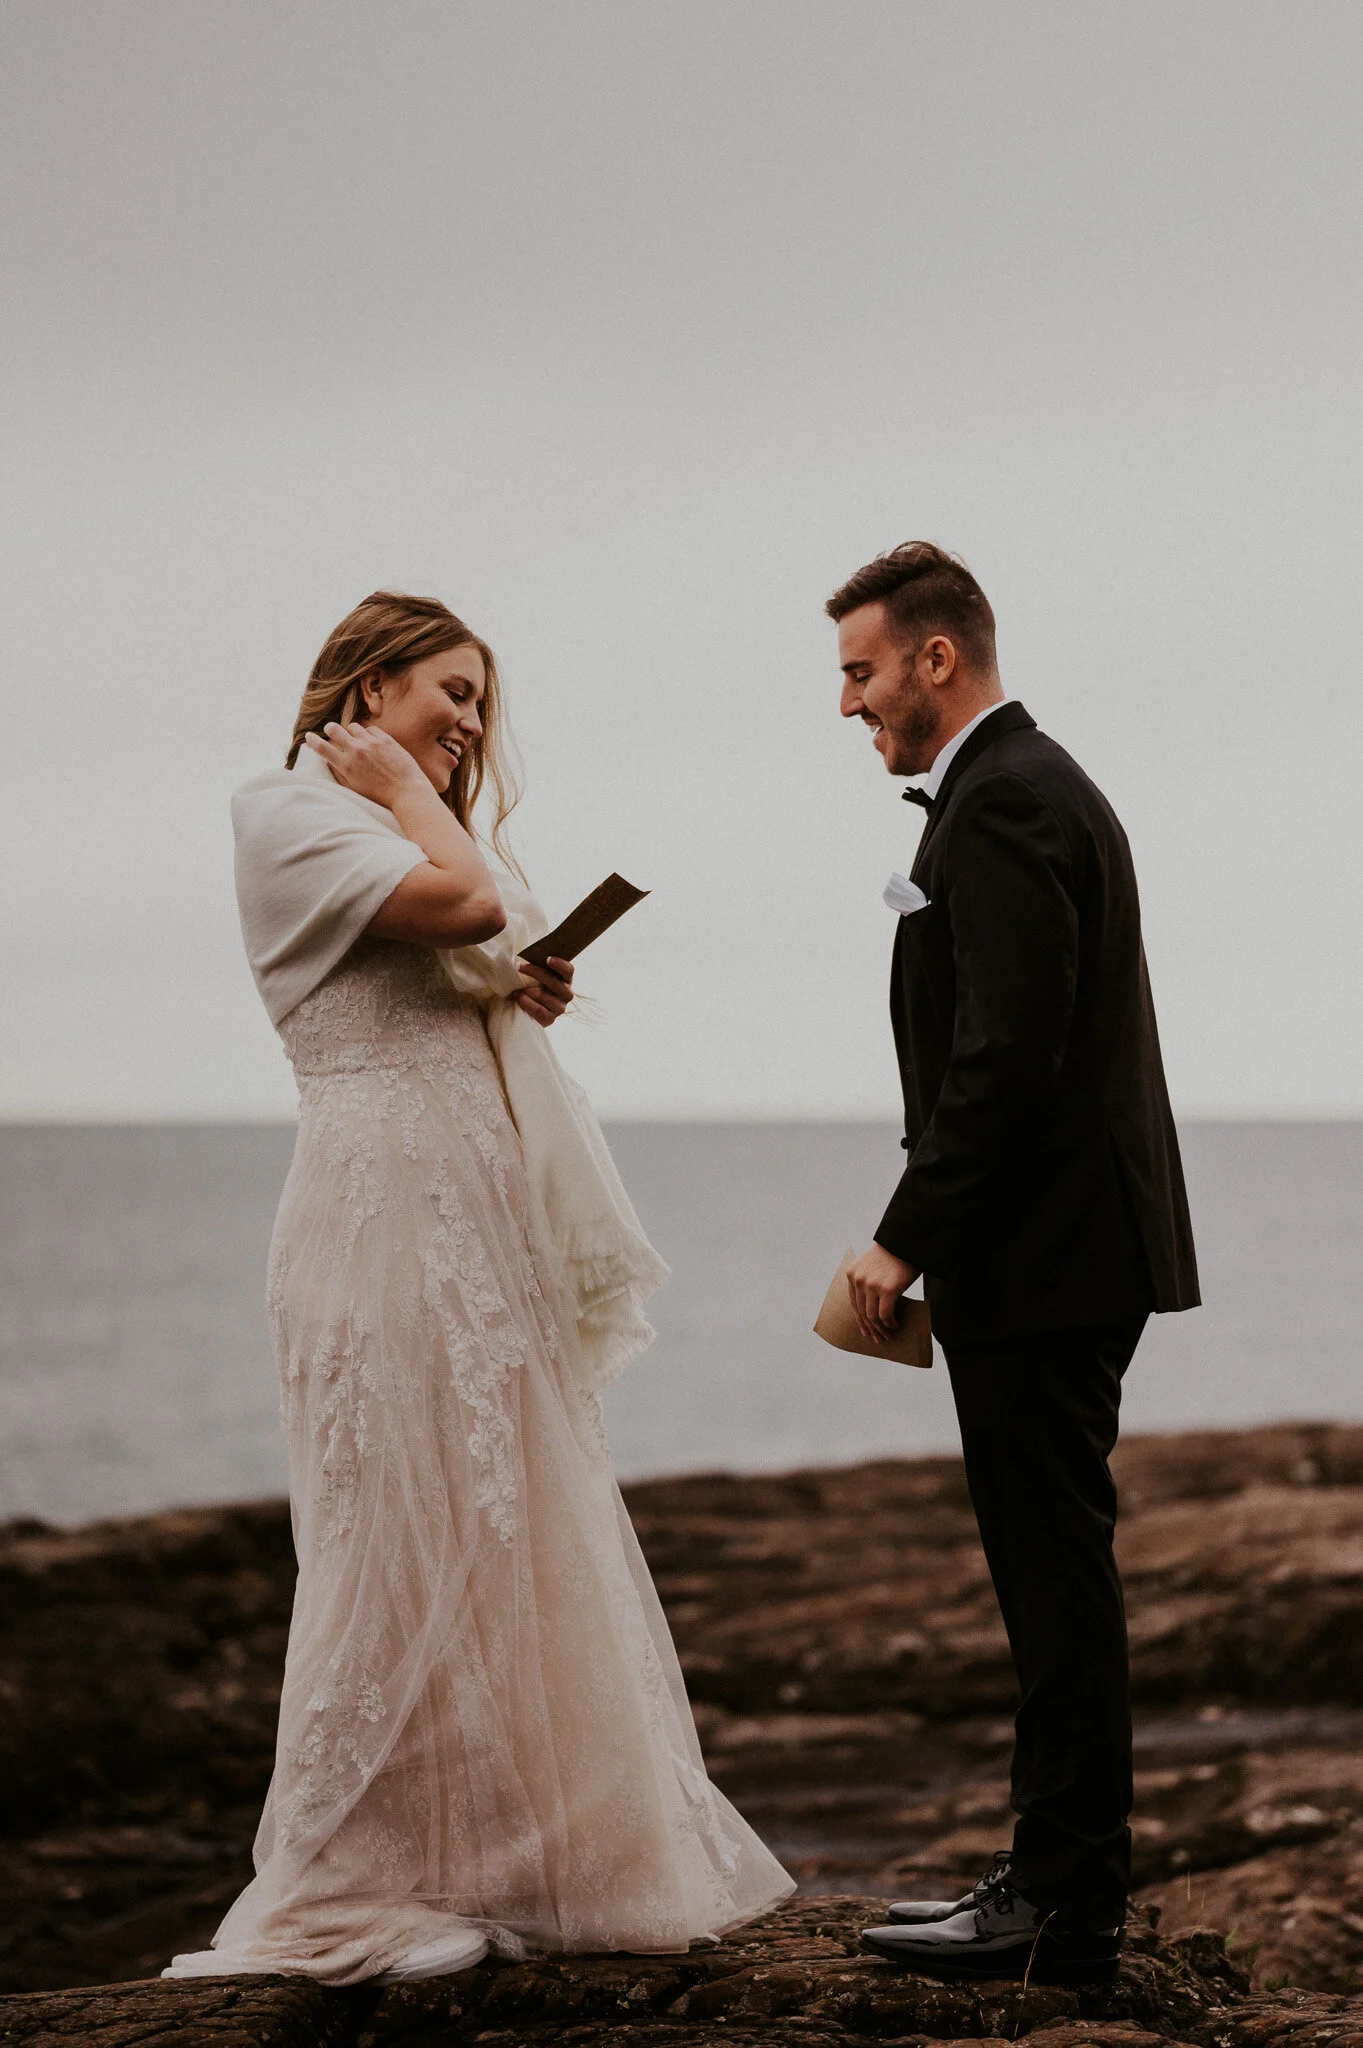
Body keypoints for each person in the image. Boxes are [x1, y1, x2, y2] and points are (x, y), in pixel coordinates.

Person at [164, 591, 792, 1985]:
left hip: (473, 1216)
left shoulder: (387, 824)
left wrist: (510, 990)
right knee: (391, 1529)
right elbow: (465, 900)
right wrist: (414, 810)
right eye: (447, 691)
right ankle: (348, 1885)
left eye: (477, 703)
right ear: (370, 683)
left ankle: (504, 1860)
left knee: (498, 1528)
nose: (466, 722)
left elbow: (464, 937)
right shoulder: (285, 808)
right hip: (378, 1210)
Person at [830, 544, 1199, 1986]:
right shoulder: (1026, 787)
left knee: (1051, 1579)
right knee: (1053, 1572)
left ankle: (1059, 1905)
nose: (847, 703)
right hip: (1065, 1250)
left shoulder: (1003, 803)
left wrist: (899, 1231)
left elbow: (1008, 1057)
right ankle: (1052, 1876)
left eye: (859, 671)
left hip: (1044, 1259)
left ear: (935, 659)